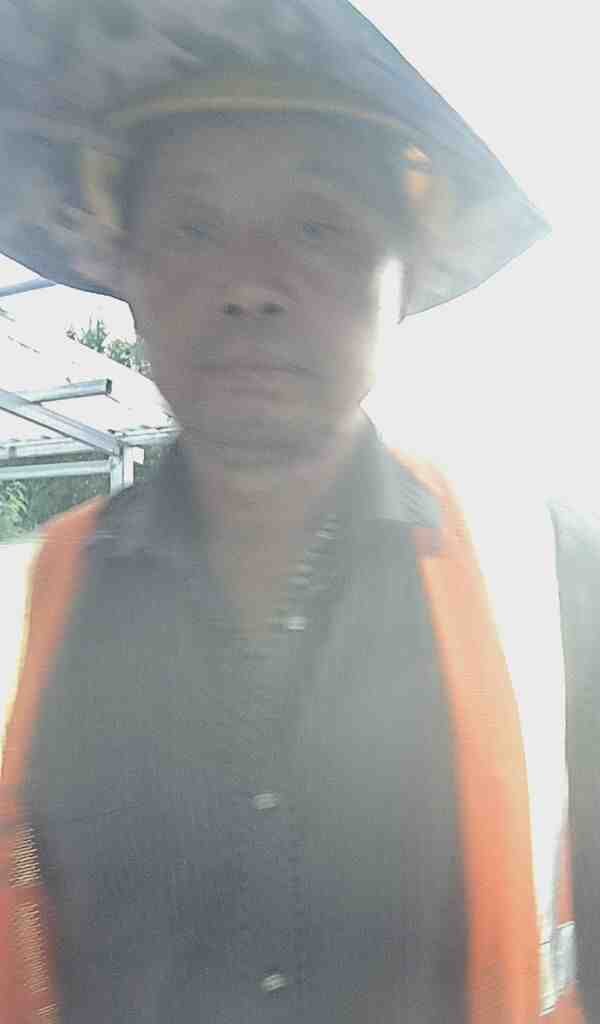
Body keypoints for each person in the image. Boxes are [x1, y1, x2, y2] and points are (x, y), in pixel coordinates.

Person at [0, 3, 596, 1023]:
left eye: (317, 226)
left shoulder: (554, 580)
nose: (248, 285)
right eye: (192, 227)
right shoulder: (24, 611)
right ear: (128, 275)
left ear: (406, 277)